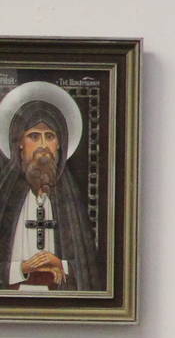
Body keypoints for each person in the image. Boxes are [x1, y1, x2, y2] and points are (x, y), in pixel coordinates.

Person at [0, 85, 103, 291]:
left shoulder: (70, 201)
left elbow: (89, 270)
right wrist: (23, 267)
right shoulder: (4, 197)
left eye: (50, 136)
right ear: (19, 142)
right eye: (34, 136)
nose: (43, 145)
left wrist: (60, 264)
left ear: (59, 144)